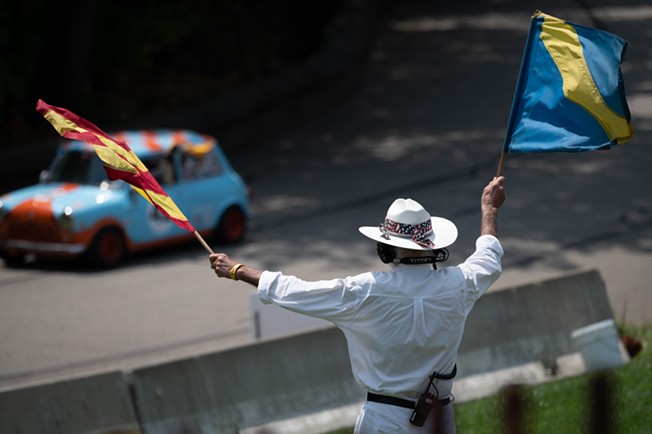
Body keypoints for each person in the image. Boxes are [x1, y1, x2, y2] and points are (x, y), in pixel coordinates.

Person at [209, 176, 506, 433]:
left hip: (384, 421)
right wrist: (489, 209)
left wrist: (238, 270)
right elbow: (489, 258)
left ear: (386, 247)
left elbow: (295, 291)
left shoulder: (364, 291)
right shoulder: (459, 284)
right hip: (439, 421)